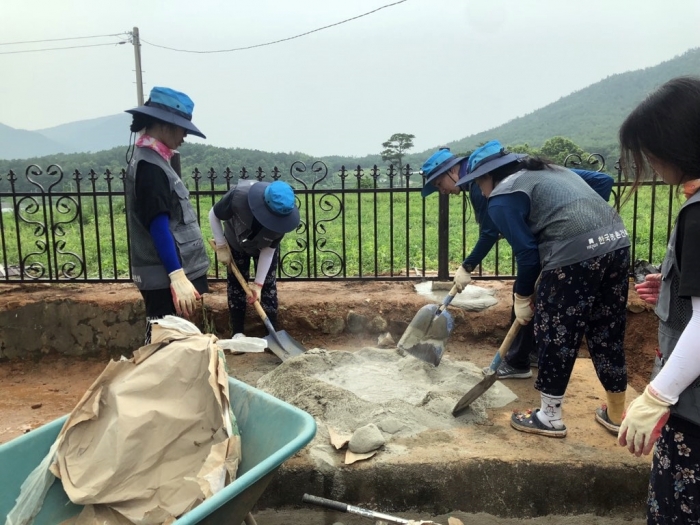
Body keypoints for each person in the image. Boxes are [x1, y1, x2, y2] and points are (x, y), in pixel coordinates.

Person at [448, 140, 630, 438]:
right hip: (617, 242)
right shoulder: (552, 171)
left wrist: (522, 297)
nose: (479, 191)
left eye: (479, 182)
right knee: (607, 329)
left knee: (556, 332)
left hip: (572, 256)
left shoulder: (502, 196)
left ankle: (549, 417)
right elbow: (599, 186)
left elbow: (527, 254)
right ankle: (615, 414)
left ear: (491, 176)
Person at [421, 148, 617, 380]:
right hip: (607, 242)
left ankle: (518, 362)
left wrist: (467, 266)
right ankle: (527, 354)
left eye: (438, 183)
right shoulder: (533, 168)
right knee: (532, 294)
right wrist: (588, 220)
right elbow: (603, 181)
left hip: (566, 250)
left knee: (528, 297)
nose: (441, 191)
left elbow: (490, 233)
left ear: (453, 170)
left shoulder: (483, 185)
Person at [616, 76, 700, 523]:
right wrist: (670, 287)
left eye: (650, 153)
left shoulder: (698, 213)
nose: (650, 164)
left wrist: (657, 395)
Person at [124, 86, 210, 344]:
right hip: (163, 276)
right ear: (165, 125)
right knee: (163, 341)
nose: (185, 136)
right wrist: (176, 275)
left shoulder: (157, 161)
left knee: (175, 341)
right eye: (183, 129)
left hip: (169, 273)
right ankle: (155, 383)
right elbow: (158, 224)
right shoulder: (150, 167)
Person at [209, 179, 300, 336]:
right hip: (235, 241)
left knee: (267, 286)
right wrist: (222, 245)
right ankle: (237, 332)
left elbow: (268, 251)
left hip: (263, 245)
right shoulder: (238, 196)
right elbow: (213, 214)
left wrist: (258, 284)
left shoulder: (283, 219)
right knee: (236, 285)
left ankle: (271, 335)